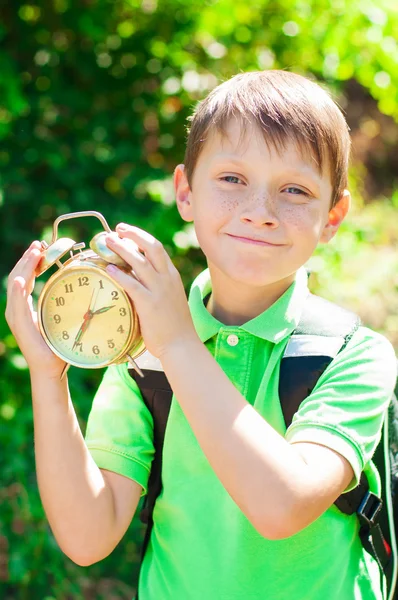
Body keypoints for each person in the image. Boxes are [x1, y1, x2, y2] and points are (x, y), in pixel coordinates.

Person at [6, 70, 398, 600]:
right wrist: (48, 372)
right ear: (186, 192)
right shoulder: (142, 356)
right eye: (232, 179)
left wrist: (178, 345)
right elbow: (87, 535)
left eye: (295, 190)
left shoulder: (354, 354)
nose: (260, 212)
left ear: (332, 217)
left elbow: (282, 505)